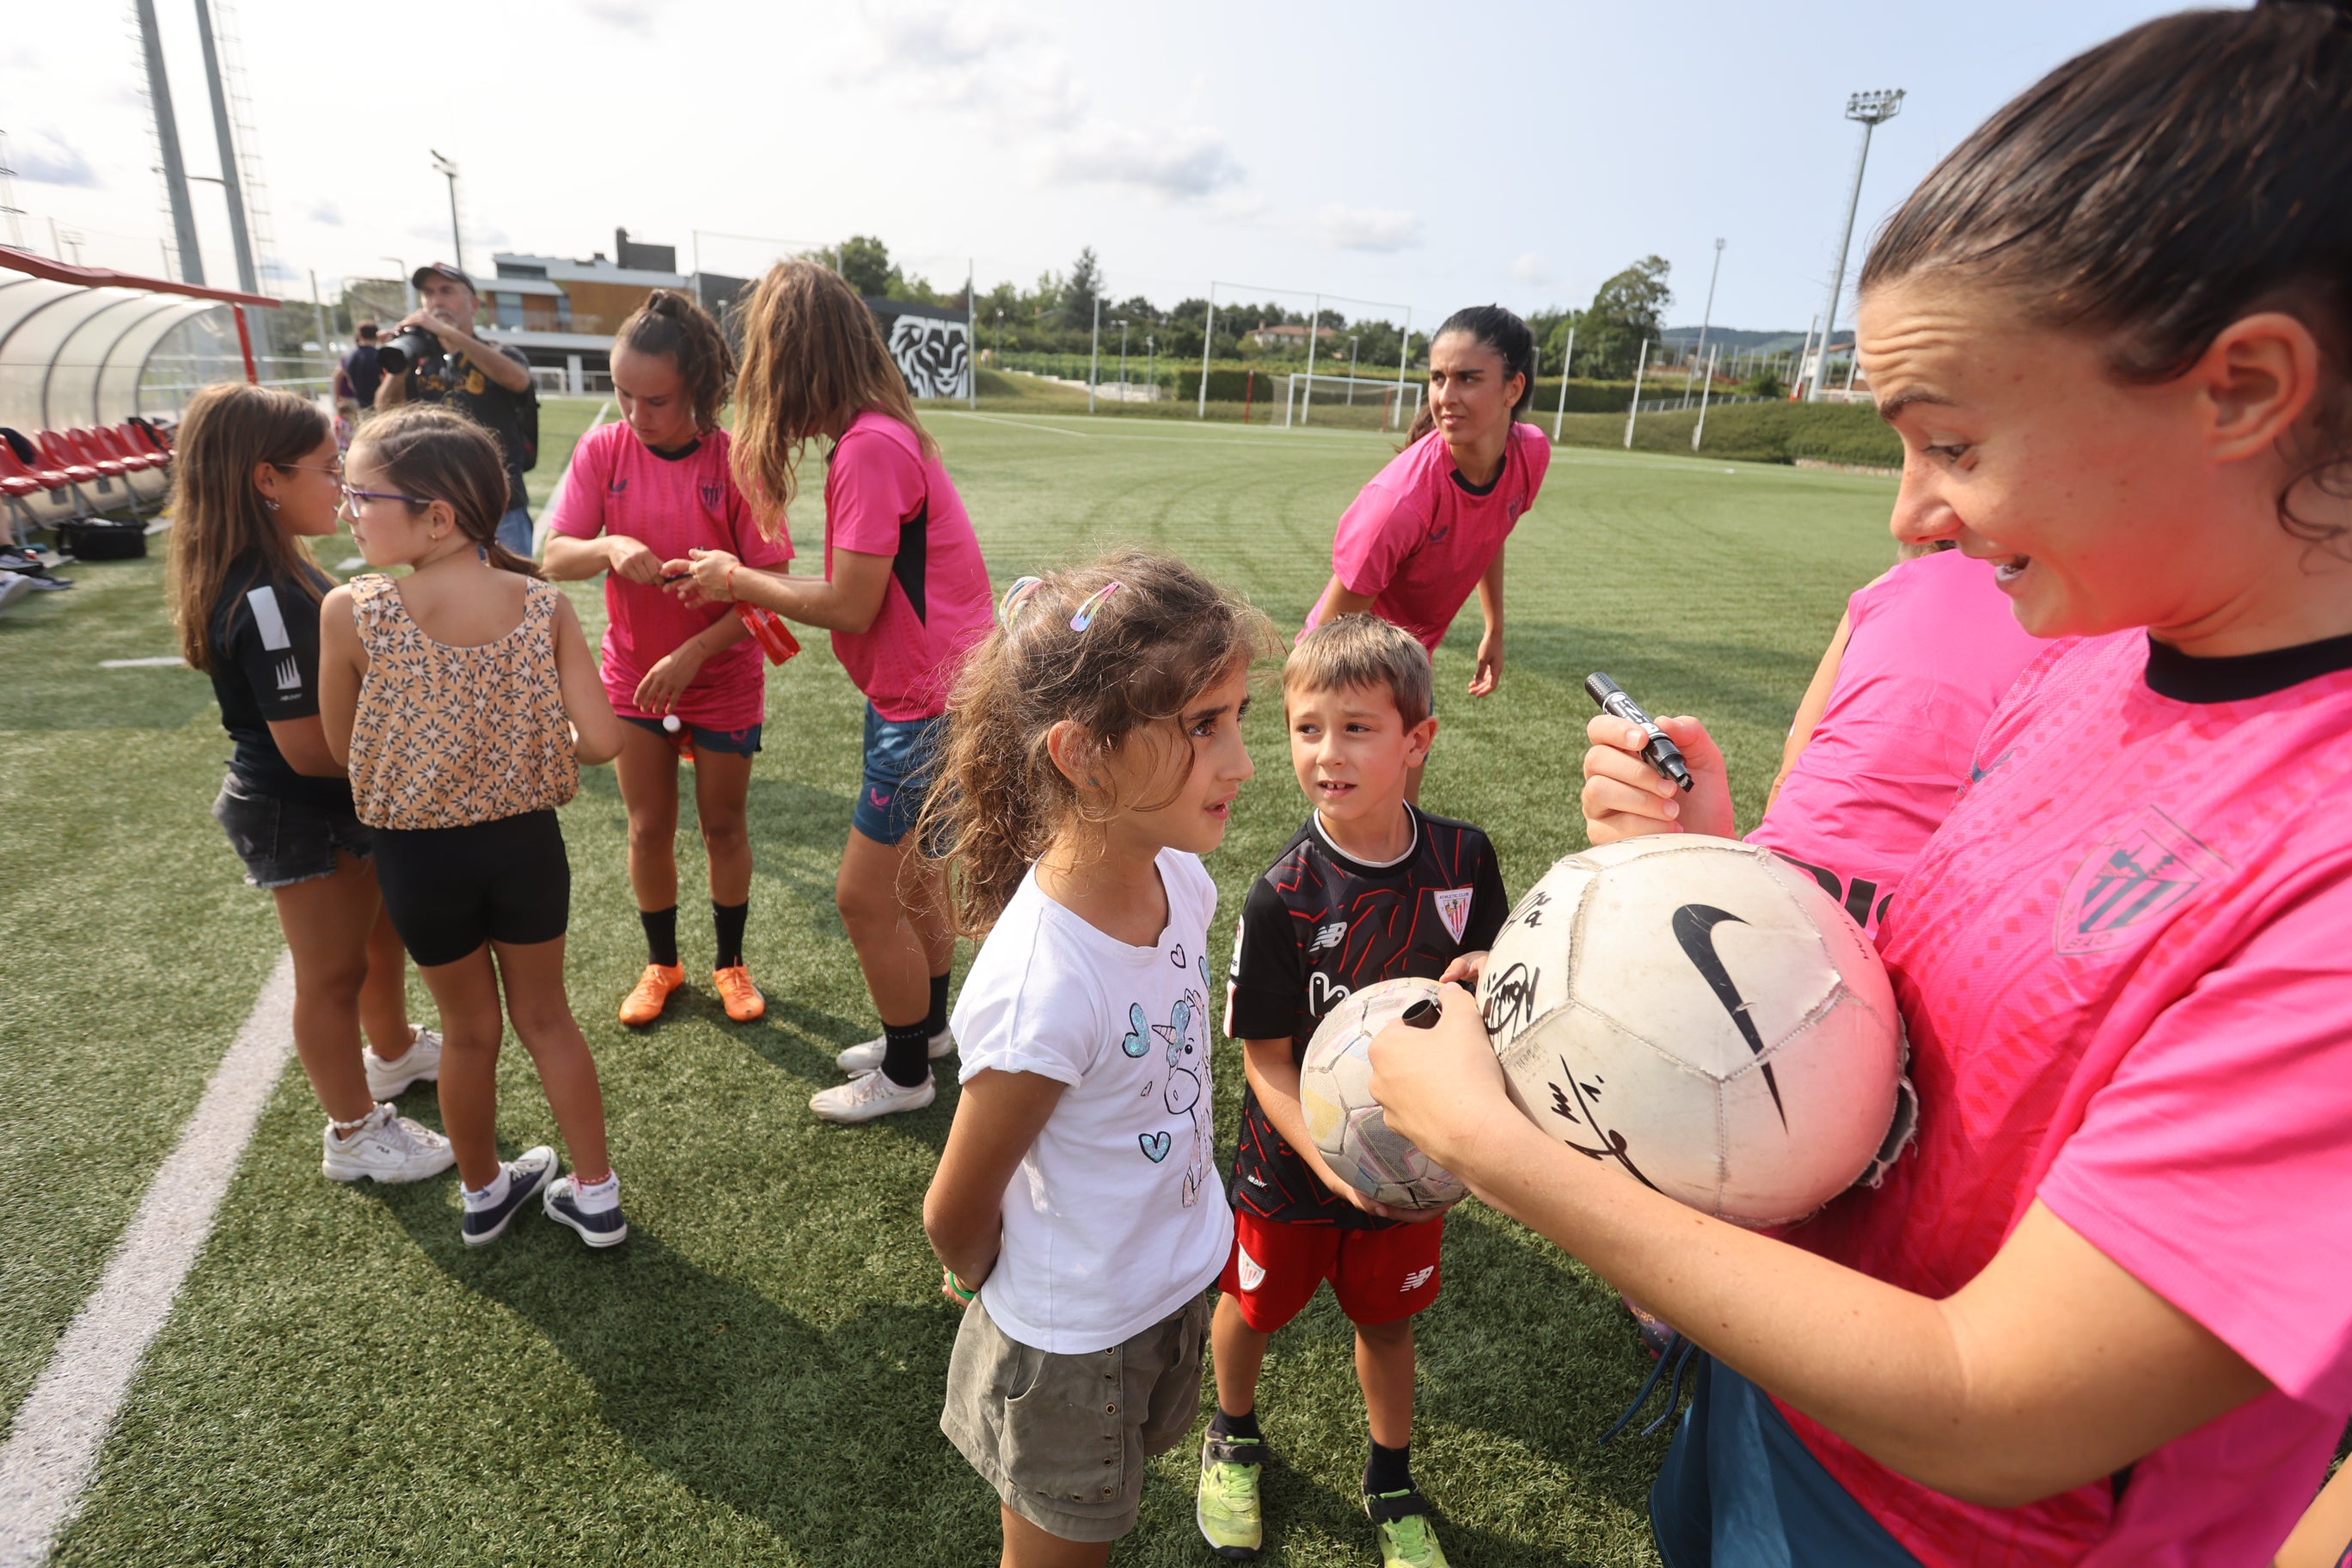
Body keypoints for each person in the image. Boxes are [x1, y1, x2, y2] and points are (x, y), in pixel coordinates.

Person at [1375, 6, 2352, 1563]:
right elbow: (1960, 1015)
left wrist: (1494, 1140)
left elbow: (1994, 1395)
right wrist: (1708, 903)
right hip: (1778, 1380)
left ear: (2240, 386)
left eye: (1952, 441)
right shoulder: (2103, 657)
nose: (1910, 518)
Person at [919, 554, 1271, 1567]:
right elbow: (955, 1210)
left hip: (1165, 1288)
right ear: (1082, 755)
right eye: (1205, 726)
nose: (1242, 761)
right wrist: (996, 1276)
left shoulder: (1182, 881)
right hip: (1070, 1344)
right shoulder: (1044, 985)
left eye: (1237, 715)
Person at [1204, 614, 1508, 1568]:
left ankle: (1390, 1476)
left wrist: (1489, 978)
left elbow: (1496, 990)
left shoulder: (1465, 863)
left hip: (1415, 1165)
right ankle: (1233, 1433)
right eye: (1305, 728)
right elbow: (1264, 1061)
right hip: (1291, 1172)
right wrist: (1332, 1169)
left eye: (1357, 728)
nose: (1326, 753)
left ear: (1417, 740)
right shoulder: (1284, 894)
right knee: (1253, 1309)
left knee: (1387, 1319)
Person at [667, 259, 994, 1124]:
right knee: (918, 879)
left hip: (926, 706)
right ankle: (925, 1035)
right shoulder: (883, 435)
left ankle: (904, 1072)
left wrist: (738, 579)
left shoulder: (870, 448)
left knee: (864, 895)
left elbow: (849, 603)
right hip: (935, 696)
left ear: (795, 362)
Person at [317, 405, 630, 1249]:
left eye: (361, 494)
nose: (349, 509)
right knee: (549, 1019)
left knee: (467, 1033)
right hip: (526, 848)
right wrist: (528, 750)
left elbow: (342, 748)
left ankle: (485, 1190)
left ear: (437, 514)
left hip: (418, 863)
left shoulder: (351, 611)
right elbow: (601, 739)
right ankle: (595, 1193)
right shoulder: (540, 605)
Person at [166, 382, 449, 1184]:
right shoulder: (263, 594)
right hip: (299, 808)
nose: (345, 489)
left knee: (382, 934)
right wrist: (423, 757)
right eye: (331, 469)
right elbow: (307, 747)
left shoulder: (288, 565)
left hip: (340, 801)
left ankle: (392, 1053)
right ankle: (354, 1131)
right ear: (267, 479)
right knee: (330, 977)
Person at [543, 290, 789, 1026]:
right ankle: (663, 964)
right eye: (621, 393)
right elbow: (555, 556)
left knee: (723, 827)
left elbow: (771, 594)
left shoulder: (740, 459)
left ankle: (730, 964)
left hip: (722, 678)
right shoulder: (603, 451)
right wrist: (609, 545)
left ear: (702, 391)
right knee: (648, 827)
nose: (634, 413)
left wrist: (696, 650)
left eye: (655, 399)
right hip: (632, 678)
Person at [1302, 305, 1548, 714]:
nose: (1446, 397)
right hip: (1346, 669)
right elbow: (1326, 637)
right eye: (1438, 378)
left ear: (1513, 389)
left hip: (1411, 667)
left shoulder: (1531, 453)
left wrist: (1495, 628)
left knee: (1405, 777)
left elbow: (1491, 531)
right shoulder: (1399, 502)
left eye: (1468, 378)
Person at [376, 264, 539, 557]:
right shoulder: (420, 361)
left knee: (512, 597)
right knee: (449, 601)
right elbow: (386, 412)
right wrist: (399, 362)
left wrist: (452, 336)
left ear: (474, 304)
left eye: (447, 291)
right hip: (437, 509)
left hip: (501, 508)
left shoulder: (497, 353)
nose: (436, 301)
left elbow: (518, 380)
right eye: (429, 293)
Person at [336, 322, 383, 413]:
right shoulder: (380, 356)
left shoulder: (349, 357)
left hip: (360, 404)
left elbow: (347, 381)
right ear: (376, 334)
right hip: (378, 405)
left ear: (360, 335)